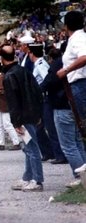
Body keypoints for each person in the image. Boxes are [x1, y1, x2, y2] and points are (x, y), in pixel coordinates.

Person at [0, 44, 44, 192]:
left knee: (31, 148)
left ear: (1, 59)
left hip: (23, 117)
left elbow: (13, 102)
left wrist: (16, 122)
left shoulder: (8, 76)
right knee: (28, 147)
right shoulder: (24, 70)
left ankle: (37, 180)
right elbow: (37, 91)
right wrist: (38, 113)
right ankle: (27, 177)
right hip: (31, 113)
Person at [41, 48, 86, 188]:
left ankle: (80, 177)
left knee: (68, 145)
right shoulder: (75, 66)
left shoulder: (59, 64)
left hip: (61, 106)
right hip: (73, 105)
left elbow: (48, 82)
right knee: (77, 142)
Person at [29, 43, 66, 164]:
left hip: (45, 99)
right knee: (41, 127)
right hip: (43, 99)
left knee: (50, 127)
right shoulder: (38, 64)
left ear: (31, 53)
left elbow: (48, 80)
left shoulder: (40, 65)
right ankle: (49, 152)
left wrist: (40, 90)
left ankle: (58, 154)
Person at [56, 11, 86, 159]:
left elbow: (84, 56)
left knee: (84, 126)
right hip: (77, 85)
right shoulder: (75, 38)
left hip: (81, 84)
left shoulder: (78, 38)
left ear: (66, 25)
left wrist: (66, 69)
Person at [0, 61, 20, 151]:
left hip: (4, 105)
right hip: (1, 105)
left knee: (7, 124)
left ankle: (16, 142)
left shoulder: (1, 77)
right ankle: (1, 143)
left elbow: (4, 91)